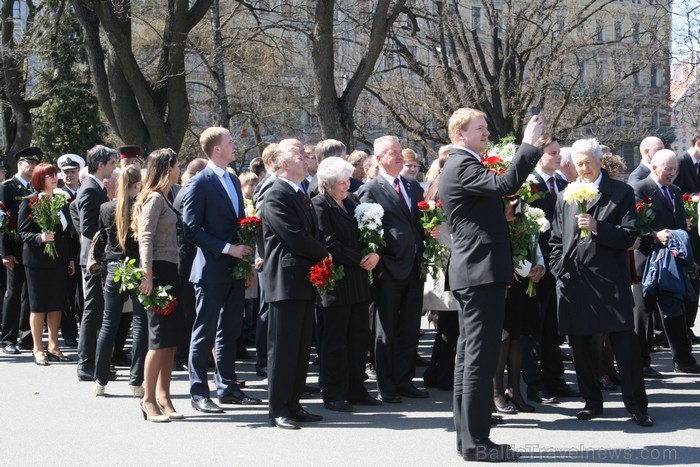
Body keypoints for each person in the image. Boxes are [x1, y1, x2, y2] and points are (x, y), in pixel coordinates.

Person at [439, 108, 544, 462]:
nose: (486, 133)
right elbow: (506, 183)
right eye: (479, 128)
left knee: (470, 358)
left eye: (486, 128)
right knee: (479, 360)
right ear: (459, 135)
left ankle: (469, 441)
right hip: (479, 273)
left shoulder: (461, 165)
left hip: (477, 271)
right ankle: (477, 442)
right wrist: (528, 144)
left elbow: (481, 209)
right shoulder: (462, 164)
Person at [549, 138, 652, 427]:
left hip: (610, 282)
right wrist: (559, 269)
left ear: (598, 161)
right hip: (576, 282)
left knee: (625, 348)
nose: (584, 168)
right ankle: (592, 402)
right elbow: (556, 239)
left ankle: (637, 406)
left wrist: (598, 227)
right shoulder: (567, 194)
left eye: (588, 163)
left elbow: (630, 235)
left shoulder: (620, 192)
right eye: (579, 163)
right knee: (581, 348)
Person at [182, 128, 260, 415]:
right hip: (211, 270)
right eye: (230, 142)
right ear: (217, 149)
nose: (234, 145)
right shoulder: (199, 183)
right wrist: (228, 249)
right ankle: (198, 392)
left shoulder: (233, 179)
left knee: (230, 330)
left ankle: (227, 387)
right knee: (204, 332)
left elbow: (239, 224)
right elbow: (191, 230)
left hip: (235, 269)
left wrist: (245, 263)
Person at [357, 136, 437, 403]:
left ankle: (405, 380)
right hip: (388, 268)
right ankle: (386, 384)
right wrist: (377, 257)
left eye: (400, 151)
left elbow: (419, 222)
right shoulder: (371, 189)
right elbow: (365, 231)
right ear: (379, 159)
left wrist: (429, 230)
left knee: (410, 327)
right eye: (393, 153)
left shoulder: (413, 187)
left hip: (414, 266)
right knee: (386, 328)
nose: (400, 156)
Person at [260, 140, 329, 429]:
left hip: (303, 279)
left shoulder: (299, 192)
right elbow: (293, 236)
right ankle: (278, 408)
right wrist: (324, 252)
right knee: (284, 349)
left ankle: (294, 403)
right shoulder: (275, 193)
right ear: (284, 164)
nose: (305, 158)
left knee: (300, 348)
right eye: (298, 156)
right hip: (285, 281)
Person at [311, 157, 381, 412]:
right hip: (337, 282)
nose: (347, 185)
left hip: (359, 280)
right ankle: (334, 392)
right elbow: (328, 242)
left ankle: (356, 388)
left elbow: (369, 230)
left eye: (348, 180)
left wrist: (374, 253)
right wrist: (359, 258)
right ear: (327, 184)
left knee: (358, 338)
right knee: (335, 340)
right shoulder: (319, 205)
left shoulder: (352, 201)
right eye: (342, 182)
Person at [522, 136, 578, 404]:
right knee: (533, 328)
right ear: (538, 157)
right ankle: (535, 384)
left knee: (553, 328)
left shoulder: (564, 184)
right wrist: (533, 262)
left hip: (559, 265)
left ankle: (556, 380)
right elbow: (525, 229)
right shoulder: (528, 186)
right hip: (538, 266)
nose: (559, 157)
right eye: (553, 153)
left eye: (558, 152)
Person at [632, 149, 700, 374]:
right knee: (644, 314)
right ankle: (641, 362)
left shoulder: (675, 191)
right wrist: (654, 235)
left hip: (671, 264)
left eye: (674, 169)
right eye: (667, 169)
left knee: (675, 311)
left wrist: (688, 259)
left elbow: (680, 226)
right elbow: (633, 226)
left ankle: (683, 360)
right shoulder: (640, 189)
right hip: (648, 261)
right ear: (654, 167)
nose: (671, 173)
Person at [132, 148, 186, 422]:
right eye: (178, 165)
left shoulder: (167, 196)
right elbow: (145, 238)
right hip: (158, 273)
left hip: (170, 271)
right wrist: (147, 275)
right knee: (157, 339)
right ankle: (148, 399)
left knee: (168, 340)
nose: (180, 169)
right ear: (168, 169)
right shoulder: (154, 198)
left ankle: (165, 397)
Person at [93, 166, 148, 397]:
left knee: (108, 325)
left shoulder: (106, 208)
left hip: (115, 267)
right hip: (136, 267)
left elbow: (103, 240)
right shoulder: (141, 207)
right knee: (140, 325)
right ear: (137, 184)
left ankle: (100, 381)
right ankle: (136, 382)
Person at [17, 162, 75, 366]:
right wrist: (40, 237)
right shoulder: (30, 201)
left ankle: (53, 346)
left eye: (54, 174)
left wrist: (69, 258)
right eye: (49, 175)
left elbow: (66, 234)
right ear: (40, 179)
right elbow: (22, 232)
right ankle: (38, 348)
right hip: (37, 262)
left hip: (58, 260)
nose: (54, 177)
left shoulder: (60, 200)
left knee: (56, 303)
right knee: (39, 305)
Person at [76, 145, 117, 381]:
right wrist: (109, 239)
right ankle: (86, 363)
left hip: (98, 257)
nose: (114, 167)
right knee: (92, 310)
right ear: (100, 165)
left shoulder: (94, 186)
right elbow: (87, 227)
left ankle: (95, 361)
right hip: (94, 260)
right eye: (111, 163)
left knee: (97, 309)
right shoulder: (91, 188)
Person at [421, 156, 460, 391]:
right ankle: (441, 373)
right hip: (449, 261)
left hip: (444, 260)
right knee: (450, 325)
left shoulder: (436, 189)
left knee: (448, 325)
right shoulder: (444, 191)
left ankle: (438, 372)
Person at [0, 147, 40, 355]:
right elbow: (2, 221)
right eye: (28, 163)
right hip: (14, 250)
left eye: (35, 164)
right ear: (19, 164)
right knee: (13, 293)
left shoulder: (33, 189)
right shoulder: (7, 188)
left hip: (30, 250)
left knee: (29, 295)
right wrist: (5, 252)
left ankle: (26, 336)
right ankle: (8, 338)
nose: (32, 167)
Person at [57, 154, 85, 349]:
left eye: (73, 172)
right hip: (67, 248)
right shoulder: (58, 195)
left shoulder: (85, 192)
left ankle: (85, 329)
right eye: (66, 172)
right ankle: (68, 334)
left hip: (84, 247)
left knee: (84, 294)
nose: (70, 176)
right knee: (67, 293)